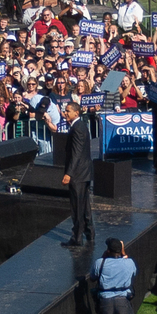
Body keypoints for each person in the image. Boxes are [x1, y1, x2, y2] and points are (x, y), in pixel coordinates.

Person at [60, 100, 92, 248]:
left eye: (68, 111)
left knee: (77, 206)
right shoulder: (79, 126)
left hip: (78, 174)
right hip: (84, 173)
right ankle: (89, 232)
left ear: (76, 113)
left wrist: (69, 174)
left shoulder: (78, 128)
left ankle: (77, 238)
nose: (65, 113)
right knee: (85, 205)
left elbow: (76, 153)